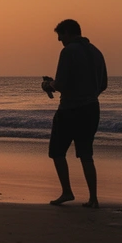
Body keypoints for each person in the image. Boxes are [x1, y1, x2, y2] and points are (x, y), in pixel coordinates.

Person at [41, 19, 107, 208]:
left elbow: (60, 84)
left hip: (70, 109)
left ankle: (67, 192)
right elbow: (103, 84)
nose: (59, 39)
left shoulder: (68, 51)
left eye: (60, 35)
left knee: (56, 151)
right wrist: (88, 94)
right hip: (92, 109)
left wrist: (48, 85)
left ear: (69, 33)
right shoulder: (97, 52)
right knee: (86, 154)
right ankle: (93, 198)